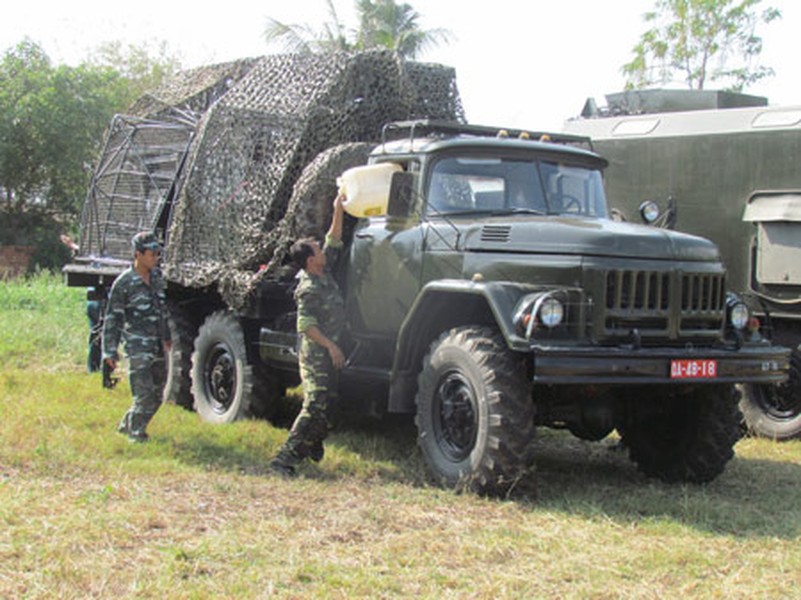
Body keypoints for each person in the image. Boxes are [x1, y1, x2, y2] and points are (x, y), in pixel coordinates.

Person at [270, 193, 347, 476]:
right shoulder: (308, 288)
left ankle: (312, 442)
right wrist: (331, 347)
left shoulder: (323, 272)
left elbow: (334, 238)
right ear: (311, 261)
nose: (323, 249)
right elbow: (306, 326)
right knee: (314, 404)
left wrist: (337, 206)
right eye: (318, 248)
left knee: (330, 404)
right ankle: (284, 458)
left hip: (329, 352)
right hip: (316, 354)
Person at [102, 232, 172, 443]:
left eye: (158, 253)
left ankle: (127, 425)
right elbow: (113, 319)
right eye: (152, 253)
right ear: (138, 254)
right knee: (143, 394)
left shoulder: (158, 278)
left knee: (158, 395)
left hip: (157, 345)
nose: (156, 257)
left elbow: (163, 310)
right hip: (137, 346)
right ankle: (136, 435)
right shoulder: (124, 283)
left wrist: (167, 336)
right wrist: (110, 351)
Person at [60, 234, 102, 372]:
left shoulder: (95, 256)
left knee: (96, 333)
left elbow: (81, 252)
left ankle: (94, 368)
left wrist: (72, 245)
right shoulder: (104, 256)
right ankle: (95, 368)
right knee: (98, 333)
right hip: (98, 299)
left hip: (96, 298)